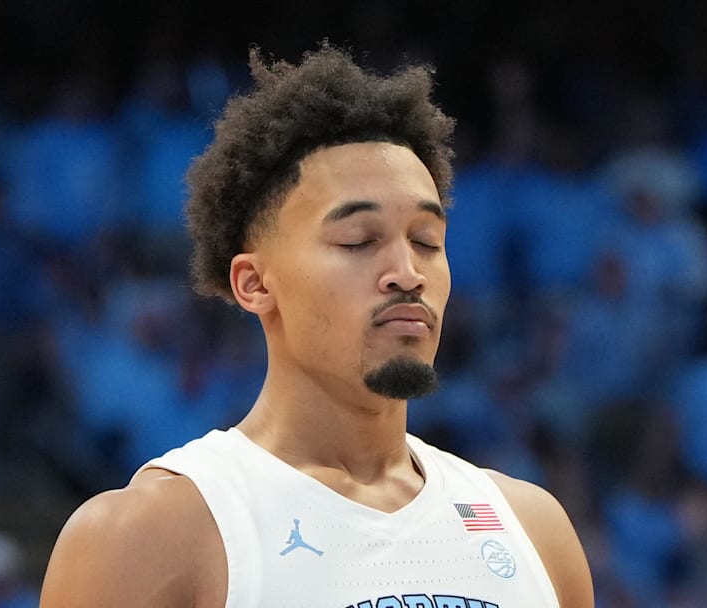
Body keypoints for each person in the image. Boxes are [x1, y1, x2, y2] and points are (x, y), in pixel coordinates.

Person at [39, 43, 593, 608]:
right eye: (359, 241)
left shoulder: (535, 532)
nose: (407, 273)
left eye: (427, 242)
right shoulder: (148, 537)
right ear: (254, 283)